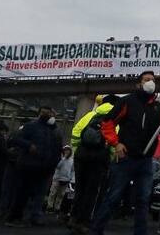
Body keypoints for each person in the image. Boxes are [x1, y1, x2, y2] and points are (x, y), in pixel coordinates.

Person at [90, 71, 160, 235]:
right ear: (138, 84)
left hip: (146, 161)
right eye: (147, 80)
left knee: (143, 200)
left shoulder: (158, 107)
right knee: (113, 196)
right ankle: (96, 230)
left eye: (153, 80)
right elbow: (107, 123)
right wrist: (116, 143)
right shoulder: (127, 101)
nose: (150, 83)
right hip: (125, 159)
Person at [6, 106, 63, 227]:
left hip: (44, 166)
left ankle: (33, 217)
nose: (47, 115)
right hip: (28, 164)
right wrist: (29, 145)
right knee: (22, 192)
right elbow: (15, 139)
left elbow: (56, 147)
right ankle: (14, 217)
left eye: (49, 113)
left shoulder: (52, 130)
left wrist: (53, 162)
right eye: (44, 113)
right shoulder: (31, 126)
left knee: (38, 193)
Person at [71, 95, 119, 234]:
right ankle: (85, 221)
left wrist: (77, 151)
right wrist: (109, 159)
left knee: (79, 189)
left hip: (81, 157)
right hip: (99, 160)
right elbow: (113, 142)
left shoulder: (89, 115)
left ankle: (73, 218)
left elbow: (75, 133)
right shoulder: (114, 119)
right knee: (93, 192)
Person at [48, 146, 75, 212]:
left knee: (61, 194)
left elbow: (72, 170)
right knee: (53, 193)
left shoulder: (72, 161)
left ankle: (57, 207)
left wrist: (70, 178)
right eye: (65, 150)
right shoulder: (60, 158)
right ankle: (50, 206)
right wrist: (63, 158)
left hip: (66, 180)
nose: (67, 151)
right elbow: (58, 166)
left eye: (68, 150)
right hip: (57, 178)